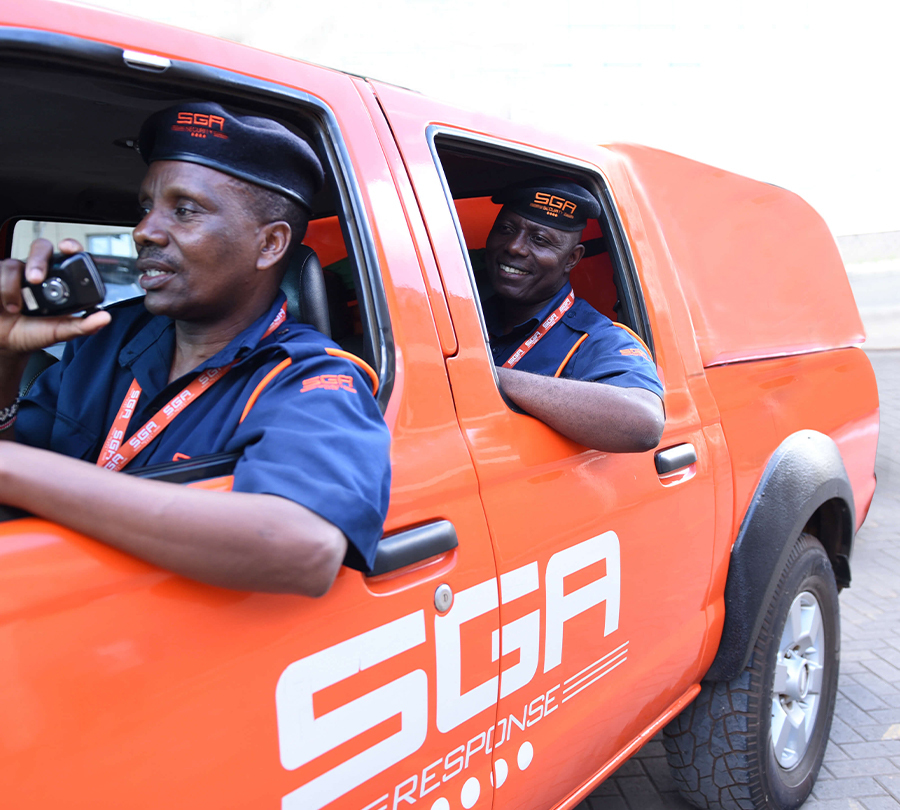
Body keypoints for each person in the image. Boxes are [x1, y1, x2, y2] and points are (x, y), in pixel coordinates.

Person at [0, 102, 391, 597]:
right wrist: (5, 362)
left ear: (270, 245)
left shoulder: (307, 377)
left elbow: (304, 547)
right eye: (147, 208)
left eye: (184, 211)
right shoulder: (106, 335)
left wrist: (10, 471)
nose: (144, 231)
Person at [481, 178, 665, 452]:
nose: (514, 247)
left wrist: (484, 376)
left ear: (571, 259)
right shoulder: (458, 310)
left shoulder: (596, 339)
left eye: (539, 240)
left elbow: (644, 423)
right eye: (506, 229)